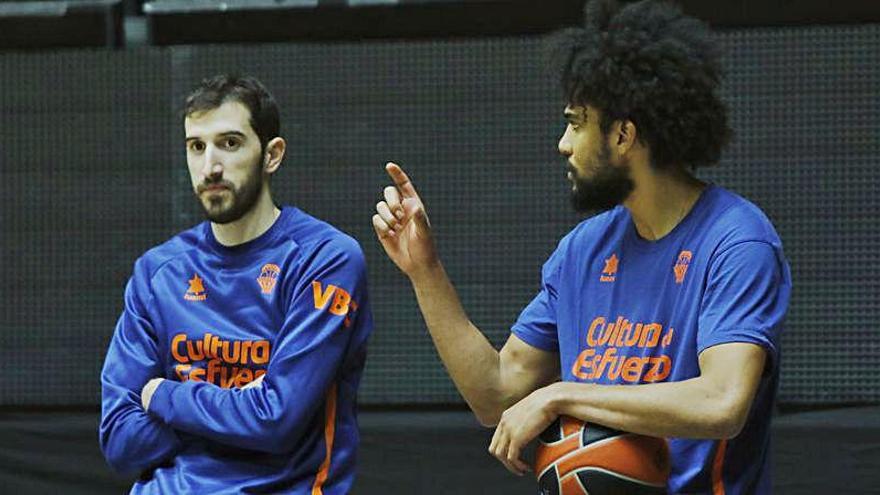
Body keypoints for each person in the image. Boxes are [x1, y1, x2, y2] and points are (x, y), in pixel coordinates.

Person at [371, 0, 790, 492]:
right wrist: (425, 271)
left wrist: (561, 397)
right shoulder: (583, 250)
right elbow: (497, 395)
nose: (562, 144)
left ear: (623, 135)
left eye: (576, 122)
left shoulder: (737, 241)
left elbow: (722, 403)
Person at [100, 75, 372, 494]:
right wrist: (234, 411)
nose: (210, 166)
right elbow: (120, 440)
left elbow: (276, 421)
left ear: (272, 155)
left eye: (229, 143)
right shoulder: (157, 272)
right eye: (196, 146)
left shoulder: (326, 259)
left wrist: (166, 397)